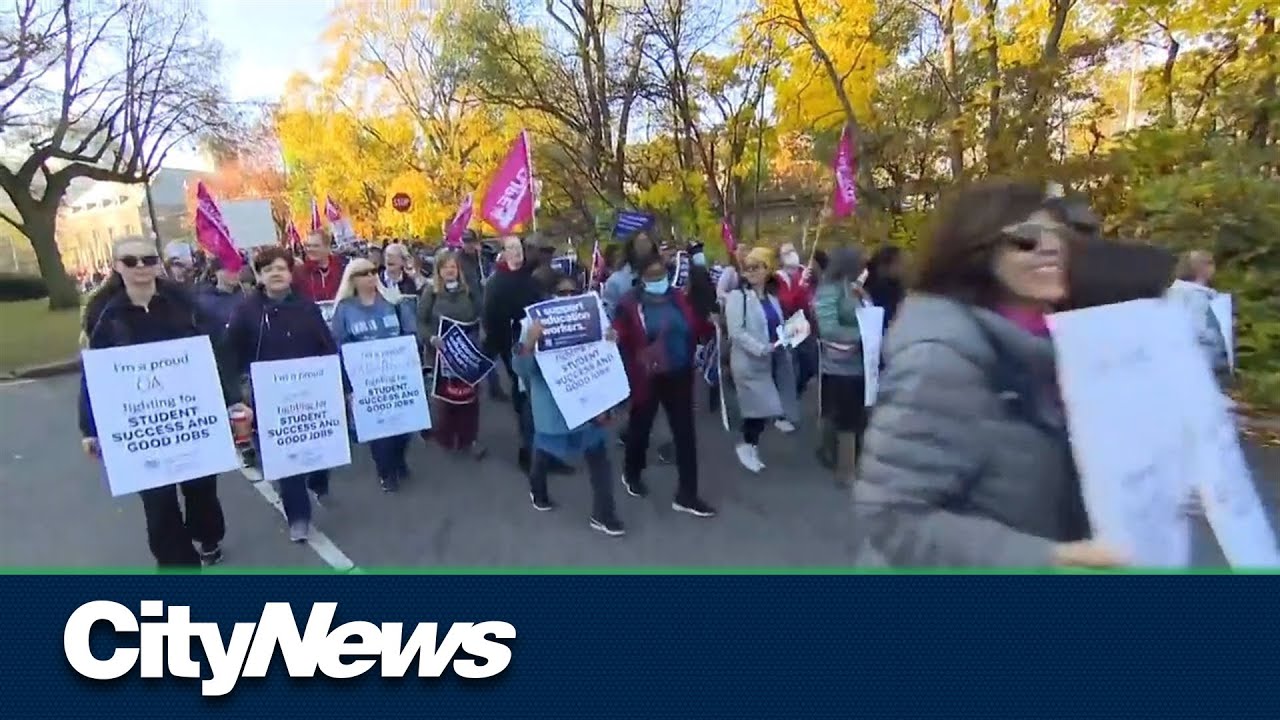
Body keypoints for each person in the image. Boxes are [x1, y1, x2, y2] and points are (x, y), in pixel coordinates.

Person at [853, 179, 1122, 568]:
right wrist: (1043, 560)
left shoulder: (1064, 342)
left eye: (1062, 236)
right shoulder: (941, 358)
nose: (1052, 247)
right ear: (980, 251)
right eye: (1026, 239)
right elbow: (893, 516)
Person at [79, 236, 250, 568]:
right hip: (140, 425)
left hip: (191, 417)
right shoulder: (103, 315)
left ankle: (208, 534)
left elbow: (216, 354)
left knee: (201, 490)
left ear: (158, 263)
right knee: (158, 504)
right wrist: (89, 427)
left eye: (148, 259)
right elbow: (93, 374)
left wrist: (233, 401)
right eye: (131, 261)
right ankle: (177, 564)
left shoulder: (186, 305)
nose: (141, 267)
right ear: (116, 267)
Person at [222, 247, 340, 542]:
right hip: (270, 398)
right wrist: (237, 394)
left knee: (317, 455)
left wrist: (339, 385)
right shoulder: (246, 311)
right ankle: (298, 517)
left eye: (281, 268)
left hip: (311, 393)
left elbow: (327, 346)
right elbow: (229, 353)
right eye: (268, 269)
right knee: (287, 459)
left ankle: (318, 480)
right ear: (259, 276)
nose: (275, 273)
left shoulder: (306, 306)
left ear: (290, 273)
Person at [513, 272, 627, 536]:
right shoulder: (533, 323)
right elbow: (521, 368)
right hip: (553, 408)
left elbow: (604, 358)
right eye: (561, 293)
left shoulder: (593, 319)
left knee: (599, 457)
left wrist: (611, 342)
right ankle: (538, 491)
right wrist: (529, 341)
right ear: (550, 296)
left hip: (586, 405)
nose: (567, 298)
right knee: (543, 453)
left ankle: (603, 514)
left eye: (572, 293)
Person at [613, 255, 717, 518]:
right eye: (652, 276)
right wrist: (613, 335)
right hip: (647, 377)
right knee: (640, 429)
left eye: (662, 275)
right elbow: (619, 333)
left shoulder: (679, 298)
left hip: (679, 375)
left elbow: (693, 326)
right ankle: (632, 472)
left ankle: (687, 494)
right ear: (641, 277)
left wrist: (712, 324)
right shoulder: (628, 303)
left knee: (685, 435)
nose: (659, 280)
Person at [330, 258, 417, 491]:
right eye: (363, 273)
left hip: (397, 375)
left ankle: (399, 460)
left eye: (372, 272)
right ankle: (385, 471)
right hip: (365, 380)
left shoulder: (392, 302)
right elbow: (339, 344)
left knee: (404, 428)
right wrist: (347, 385)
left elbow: (409, 333)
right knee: (379, 429)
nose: (370, 276)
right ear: (353, 279)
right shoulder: (345, 309)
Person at [724, 247, 799, 472]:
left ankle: (749, 446)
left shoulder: (772, 298)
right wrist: (759, 348)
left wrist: (792, 331)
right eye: (748, 268)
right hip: (748, 363)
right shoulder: (737, 297)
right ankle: (747, 445)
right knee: (760, 408)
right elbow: (735, 331)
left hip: (770, 361)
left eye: (757, 267)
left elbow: (776, 325)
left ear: (767, 269)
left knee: (762, 409)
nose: (752, 272)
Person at [482, 235, 552, 472]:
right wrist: (505, 348)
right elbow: (491, 320)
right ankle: (528, 450)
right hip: (514, 349)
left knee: (543, 396)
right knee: (524, 398)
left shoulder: (531, 279)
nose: (517, 252)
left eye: (519, 248)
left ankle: (548, 450)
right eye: (511, 248)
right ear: (503, 252)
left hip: (540, 346)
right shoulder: (495, 283)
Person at [418, 248, 487, 459]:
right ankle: (446, 437)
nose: (450, 270)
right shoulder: (431, 292)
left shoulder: (469, 291)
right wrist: (431, 338)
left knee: (470, 399)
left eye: (453, 267)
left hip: (466, 352)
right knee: (446, 400)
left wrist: (479, 334)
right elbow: (421, 322)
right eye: (446, 267)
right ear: (438, 270)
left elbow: (480, 315)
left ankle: (470, 440)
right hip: (441, 354)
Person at [813, 247, 870, 486]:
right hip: (838, 365)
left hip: (859, 363)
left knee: (853, 416)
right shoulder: (828, 291)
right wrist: (862, 334)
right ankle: (845, 471)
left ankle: (834, 455)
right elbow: (828, 328)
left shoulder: (854, 287)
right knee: (845, 417)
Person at [458, 230, 509, 402]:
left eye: (471, 241)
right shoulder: (457, 262)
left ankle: (494, 387)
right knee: (473, 350)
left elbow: (494, 275)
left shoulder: (484, 258)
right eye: (465, 242)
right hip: (469, 311)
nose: (468, 245)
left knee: (489, 350)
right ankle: (472, 387)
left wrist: (488, 280)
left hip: (488, 310)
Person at [1167, 249, 1230, 382]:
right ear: (1201, 268)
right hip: (1202, 362)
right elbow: (1197, 328)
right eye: (1210, 264)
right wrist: (1220, 336)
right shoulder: (1196, 295)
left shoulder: (1173, 293)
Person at [602, 231, 656, 320]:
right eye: (640, 244)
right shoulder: (616, 281)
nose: (644, 248)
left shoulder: (664, 275)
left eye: (646, 242)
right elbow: (609, 315)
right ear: (631, 248)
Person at [195, 257, 244, 342]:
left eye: (237, 269)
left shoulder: (246, 296)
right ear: (217, 272)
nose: (235, 273)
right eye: (229, 269)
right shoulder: (204, 301)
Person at [293, 232, 346, 301]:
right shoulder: (300, 273)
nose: (310, 249)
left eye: (315, 246)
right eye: (308, 246)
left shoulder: (342, 268)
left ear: (327, 247)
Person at [863, 245, 906, 329]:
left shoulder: (895, 287)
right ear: (883, 266)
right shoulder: (876, 288)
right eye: (898, 263)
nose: (902, 268)